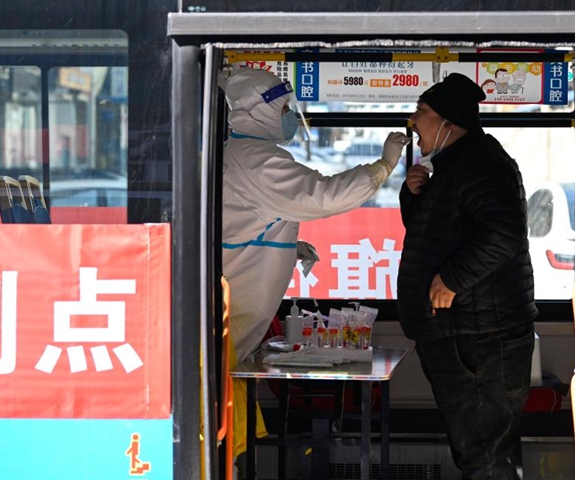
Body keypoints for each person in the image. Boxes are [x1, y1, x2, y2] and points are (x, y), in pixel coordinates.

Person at [397, 73, 537, 480]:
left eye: (422, 112)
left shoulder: (479, 162)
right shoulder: (454, 164)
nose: (412, 121)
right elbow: (434, 237)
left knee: (487, 456)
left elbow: (505, 232)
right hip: (466, 333)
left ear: (448, 123)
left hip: (481, 338)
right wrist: (415, 195)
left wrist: (453, 279)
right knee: (478, 451)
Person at [222, 67, 409, 362]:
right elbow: (323, 196)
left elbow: (240, 225)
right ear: (259, 110)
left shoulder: (235, 152)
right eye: (283, 108)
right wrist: (383, 166)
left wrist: (286, 247)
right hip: (239, 294)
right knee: (222, 370)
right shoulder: (260, 162)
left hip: (235, 283)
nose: (289, 116)